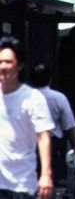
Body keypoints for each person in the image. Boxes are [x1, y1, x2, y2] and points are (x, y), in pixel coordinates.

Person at [0, 35, 54, 199]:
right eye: (0, 61)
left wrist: (46, 174)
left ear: (20, 65)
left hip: (21, 184)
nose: (3, 66)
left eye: (8, 62)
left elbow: (43, 137)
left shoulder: (33, 98)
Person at [28, 65, 75, 184]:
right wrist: (74, 145)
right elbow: (68, 125)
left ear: (31, 80)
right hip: (50, 146)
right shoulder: (59, 98)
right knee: (50, 183)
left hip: (27, 146)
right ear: (50, 79)